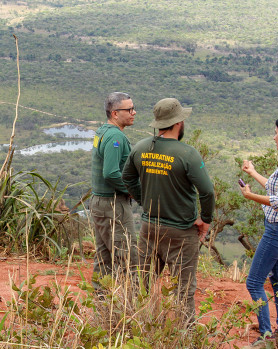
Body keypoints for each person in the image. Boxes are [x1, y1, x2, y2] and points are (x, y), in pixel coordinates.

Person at [122, 98, 215, 321]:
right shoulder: (188, 154)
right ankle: (185, 338)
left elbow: (127, 177)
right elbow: (208, 192)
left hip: (149, 227)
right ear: (178, 123)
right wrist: (205, 219)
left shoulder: (141, 147)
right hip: (181, 232)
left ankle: (135, 328)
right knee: (183, 291)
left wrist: (145, 201)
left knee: (141, 283)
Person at [239, 116, 278, 349]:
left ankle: (265, 336)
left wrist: (249, 196)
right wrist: (253, 173)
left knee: (254, 282)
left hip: (276, 230)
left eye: (276, 132)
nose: (274, 136)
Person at [90, 92, 138, 289]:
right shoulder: (115, 137)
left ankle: (102, 306)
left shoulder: (102, 132)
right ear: (115, 113)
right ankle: (129, 306)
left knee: (104, 258)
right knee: (127, 257)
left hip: (99, 202)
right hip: (113, 205)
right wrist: (134, 191)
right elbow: (110, 172)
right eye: (129, 109)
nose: (134, 113)